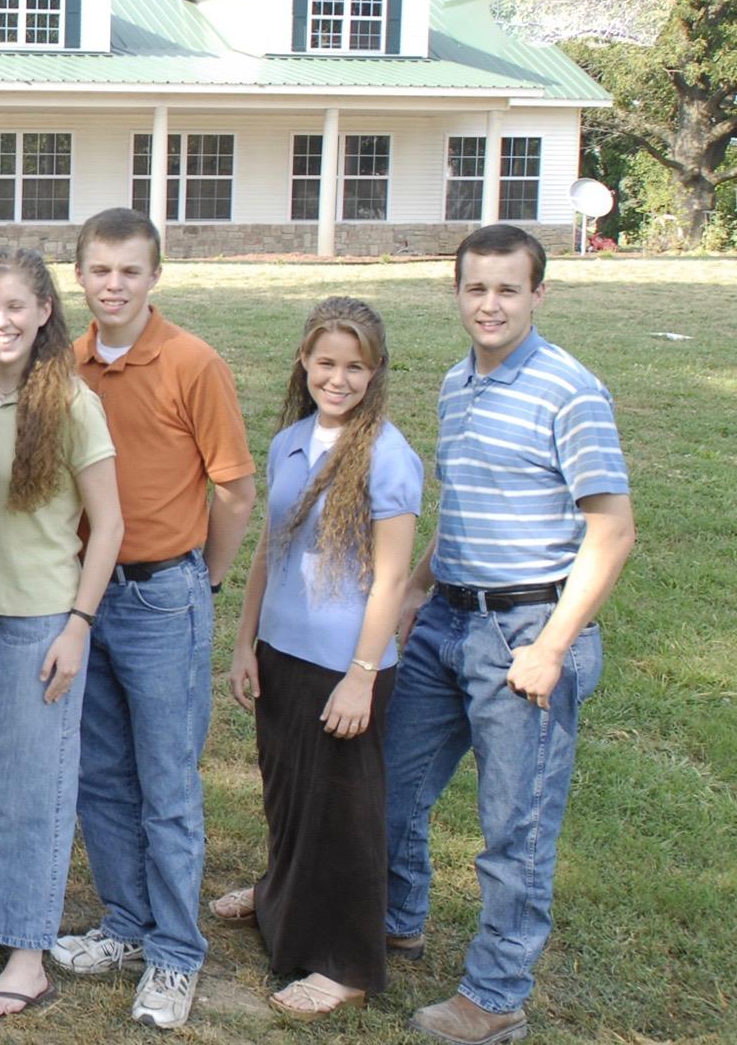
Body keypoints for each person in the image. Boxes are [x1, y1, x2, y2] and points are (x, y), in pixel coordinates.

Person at [382, 225, 633, 1045]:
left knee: (512, 831)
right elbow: (465, 508)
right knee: (389, 785)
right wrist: (416, 590)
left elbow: (611, 532)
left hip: (527, 632)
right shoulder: (458, 383)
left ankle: (492, 999)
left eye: (506, 289)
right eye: (474, 288)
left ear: (537, 294)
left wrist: (551, 648)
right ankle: (395, 919)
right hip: (447, 619)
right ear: (454, 292)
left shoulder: (569, 391)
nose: (488, 304)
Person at [51, 208, 254, 1032]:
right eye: (99, 269)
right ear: (79, 276)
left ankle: (175, 953)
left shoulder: (191, 364)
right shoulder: (64, 367)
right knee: (99, 775)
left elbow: (234, 489)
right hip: (82, 599)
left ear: (154, 276)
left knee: (166, 785)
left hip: (164, 595)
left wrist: (202, 578)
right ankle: (125, 925)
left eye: (129, 271)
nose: (113, 284)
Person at [219, 297, 422, 1020]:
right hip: (282, 653)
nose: (337, 379)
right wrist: (246, 643)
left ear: (375, 373)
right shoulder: (288, 443)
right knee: (287, 798)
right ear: (303, 361)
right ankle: (279, 896)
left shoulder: (388, 458)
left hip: (346, 666)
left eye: (354, 367)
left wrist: (360, 679)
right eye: (325, 362)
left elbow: (392, 579)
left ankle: (345, 963)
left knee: (343, 815)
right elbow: (271, 553)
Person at [0, 248, 122, 1022]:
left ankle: (28, 956)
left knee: (33, 793)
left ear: (45, 310)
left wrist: (78, 626)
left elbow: (110, 524)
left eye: (15, 307)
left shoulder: (73, 402)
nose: (1, 322)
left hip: (40, 624)